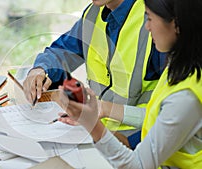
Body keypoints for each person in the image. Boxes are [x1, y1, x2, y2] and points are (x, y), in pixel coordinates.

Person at [58, 0, 202, 168]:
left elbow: (136, 165)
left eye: (149, 18)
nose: (147, 27)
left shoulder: (187, 95)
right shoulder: (181, 68)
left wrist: (92, 125)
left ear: (176, 24)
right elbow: (160, 117)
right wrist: (102, 109)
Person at [23, 0, 165, 149]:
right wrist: (39, 70)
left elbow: (176, 114)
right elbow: (61, 52)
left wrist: (104, 113)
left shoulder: (155, 20)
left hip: (141, 142)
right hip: (94, 134)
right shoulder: (93, 14)